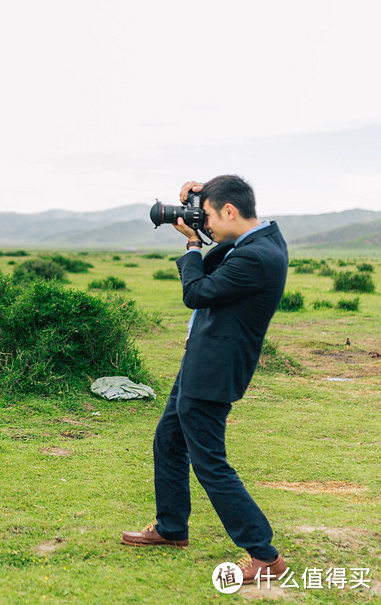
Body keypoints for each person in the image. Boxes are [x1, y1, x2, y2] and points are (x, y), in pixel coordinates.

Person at [121, 175, 289, 585]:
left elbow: (197, 291)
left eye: (209, 216)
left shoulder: (257, 257)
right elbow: (218, 261)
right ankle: (172, 527)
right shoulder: (260, 240)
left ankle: (265, 555)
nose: (205, 223)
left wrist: (193, 244)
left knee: (209, 462)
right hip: (201, 359)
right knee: (168, 440)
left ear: (230, 212)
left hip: (213, 369)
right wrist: (200, 198)